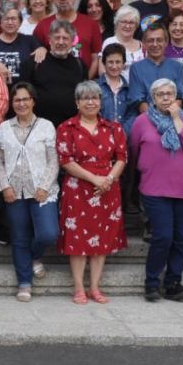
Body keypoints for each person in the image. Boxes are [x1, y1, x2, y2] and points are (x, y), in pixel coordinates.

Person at [57, 80, 128, 303]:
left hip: (107, 188)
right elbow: (65, 160)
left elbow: (122, 158)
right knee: (77, 240)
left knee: (102, 240)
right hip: (78, 187)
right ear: (77, 103)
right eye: (85, 98)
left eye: (95, 97)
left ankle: (95, 288)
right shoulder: (66, 127)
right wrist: (94, 178)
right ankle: (79, 288)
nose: (91, 102)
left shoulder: (114, 128)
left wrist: (107, 179)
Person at [130, 78, 183, 302]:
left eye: (169, 93)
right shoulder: (141, 121)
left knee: (179, 238)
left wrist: (177, 117)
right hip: (154, 188)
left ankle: (173, 283)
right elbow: (134, 151)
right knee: (163, 236)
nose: (166, 98)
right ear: (153, 98)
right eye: (160, 94)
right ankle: (151, 282)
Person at [0, 82, 59, 302]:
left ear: (33, 101)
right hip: (14, 191)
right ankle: (24, 282)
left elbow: (54, 160)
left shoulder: (46, 126)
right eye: (17, 100)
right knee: (20, 238)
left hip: (42, 191)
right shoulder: (4, 128)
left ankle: (35, 256)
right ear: (11, 103)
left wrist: (44, 186)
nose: (21, 104)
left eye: (25, 99)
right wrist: (4, 186)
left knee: (48, 233)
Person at [33, 20, 89, 127]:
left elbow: (84, 95)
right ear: (50, 40)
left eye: (65, 38)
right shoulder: (36, 62)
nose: (61, 42)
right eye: (57, 37)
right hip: (39, 127)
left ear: (72, 41)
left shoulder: (80, 65)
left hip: (72, 127)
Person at [32, 0, 102, 65]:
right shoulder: (42, 26)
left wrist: (87, 78)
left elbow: (96, 59)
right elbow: (36, 55)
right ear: (53, 0)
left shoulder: (91, 24)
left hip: (85, 77)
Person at [126, 24, 183, 116]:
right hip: (147, 119)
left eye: (159, 40)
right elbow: (138, 100)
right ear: (144, 43)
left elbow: (180, 97)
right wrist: (157, 119)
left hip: (173, 117)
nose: (155, 44)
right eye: (150, 40)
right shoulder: (136, 68)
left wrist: (167, 118)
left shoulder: (177, 67)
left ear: (166, 42)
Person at [0, 6, 37, 87]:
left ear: (20, 22)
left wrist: (41, 49)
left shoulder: (30, 41)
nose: (10, 22)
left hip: (23, 94)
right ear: (0, 22)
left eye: (13, 19)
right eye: (6, 19)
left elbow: (43, 53)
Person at [98, 4, 144, 72]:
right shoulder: (109, 42)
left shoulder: (142, 45)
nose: (127, 26)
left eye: (131, 23)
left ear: (136, 25)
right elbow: (102, 70)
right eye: (124, 22)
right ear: (117, 23)